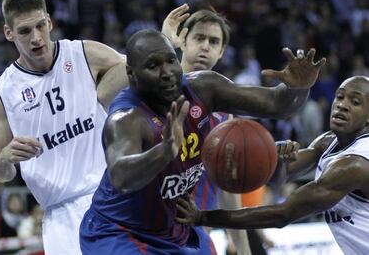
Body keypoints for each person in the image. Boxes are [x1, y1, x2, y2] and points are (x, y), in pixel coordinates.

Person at [79, 28, 325, 254]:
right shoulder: (126, 118)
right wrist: (164, 151)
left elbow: (277, 104)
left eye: (170, 60)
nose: (167, 73)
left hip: (177, 226)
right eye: (153, 66)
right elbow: (121, 177)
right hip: (120, 231)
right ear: (131, 74)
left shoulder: (203, 87)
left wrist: (298, 88)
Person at [0, 0, 127, 255]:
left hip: (111, 195)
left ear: (50, 22)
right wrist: (5, 156)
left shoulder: (86, 54)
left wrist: (165, 40)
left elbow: (139, 70)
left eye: (40, 26)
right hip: (60, 216)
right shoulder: (3, 91)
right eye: (25, 31)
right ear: (9, 33)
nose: (36, 38)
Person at [176, 75, 369, 254]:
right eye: (340, 97)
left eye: (355, 102)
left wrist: (203, 217)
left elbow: (283, 214)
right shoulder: (328, 142)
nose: (342, 105)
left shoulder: (355, 164)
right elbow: (279, 179)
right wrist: (281, 162)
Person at [162, 5, 251, 254]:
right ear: (182, 40)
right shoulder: (158, 92)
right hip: (152, 231)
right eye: (199, 38)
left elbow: (227, 189)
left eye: (214, 42)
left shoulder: (224, 113)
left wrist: (243, 249)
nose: (205, 46)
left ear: (222, 51)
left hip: (197, 237)